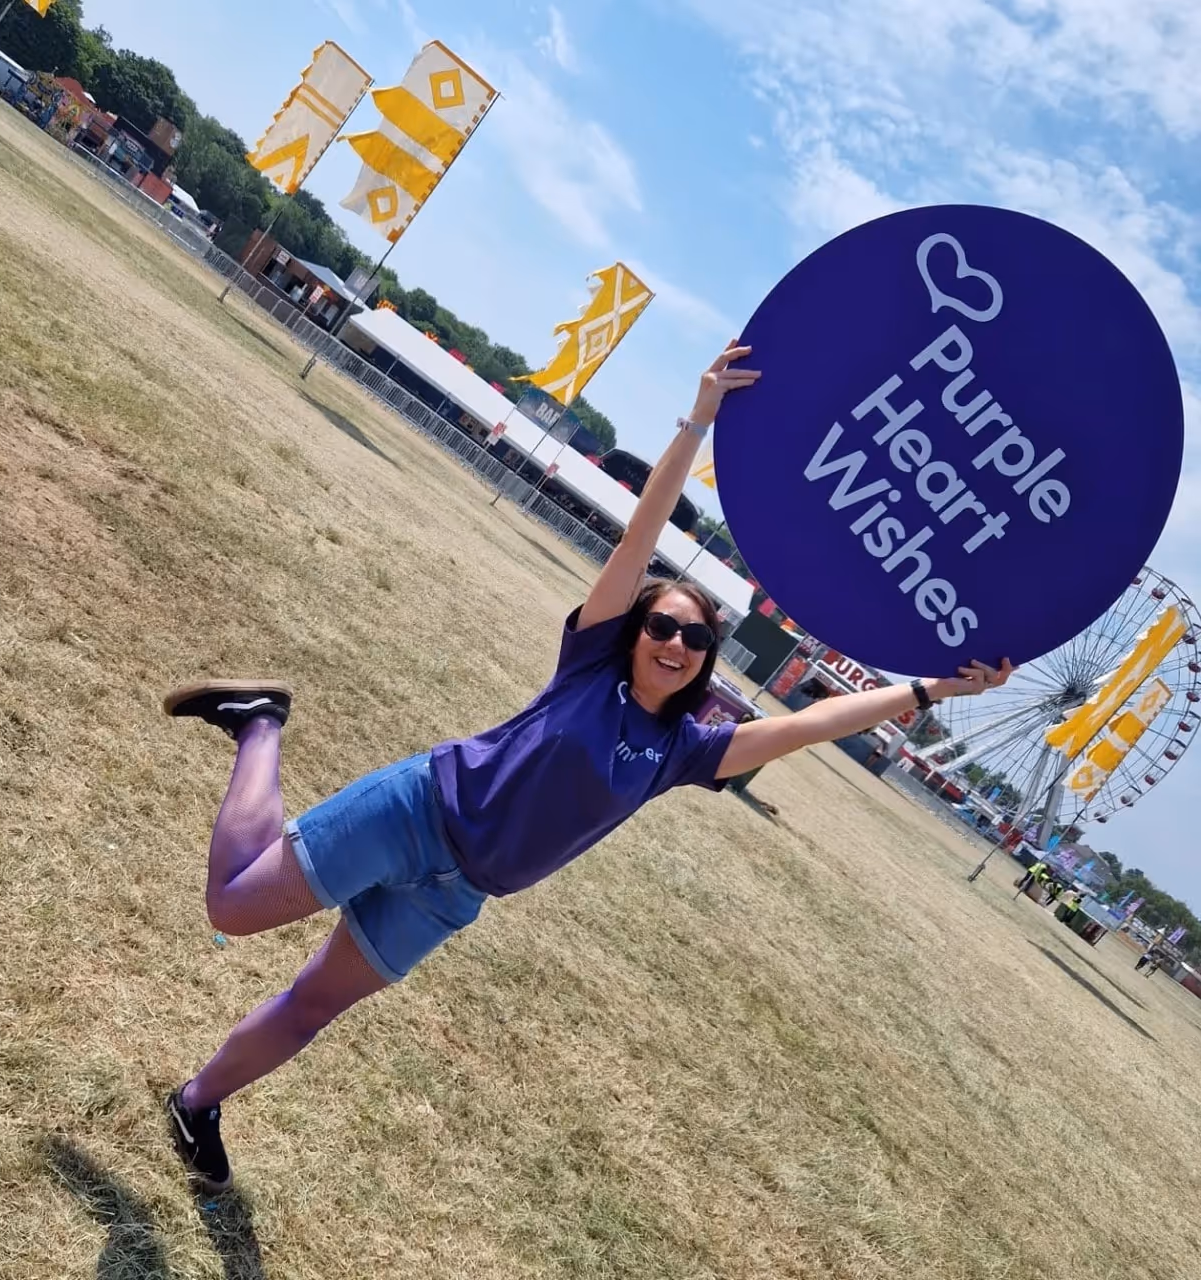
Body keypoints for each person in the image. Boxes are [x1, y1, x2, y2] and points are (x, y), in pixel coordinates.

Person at [160, 343, 1012, 1192]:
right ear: (636, 631)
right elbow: (644, 536)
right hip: (418, 813)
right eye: (663, 627)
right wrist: (699, 423)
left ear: (710, 660)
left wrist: (930, 689)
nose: (676, 643)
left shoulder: (689, 750)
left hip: (456, 892)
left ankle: (196, 1104)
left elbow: (815, 722)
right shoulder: (591, 663)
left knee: (313, 1008)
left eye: (697, 639)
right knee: (235, 910)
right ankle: (262, 725)